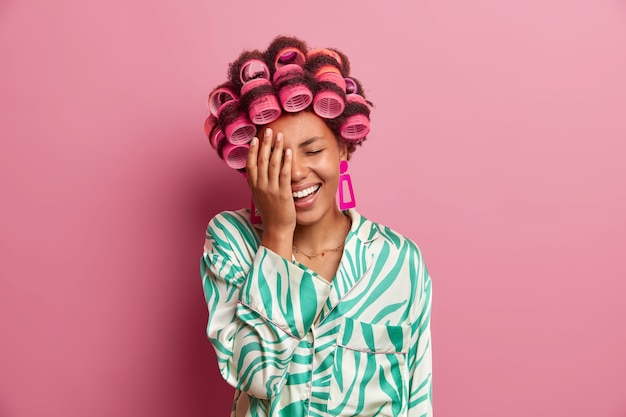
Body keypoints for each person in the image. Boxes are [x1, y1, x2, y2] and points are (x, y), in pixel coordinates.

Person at [200, 35, 433, 417]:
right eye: (275, 156)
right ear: (249, 165)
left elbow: (417, 396)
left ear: (342, 148)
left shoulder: (397, 260)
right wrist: (277, 234)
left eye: (313, 150)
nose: (294, 172)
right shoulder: (231, 241)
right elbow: (256, 374)